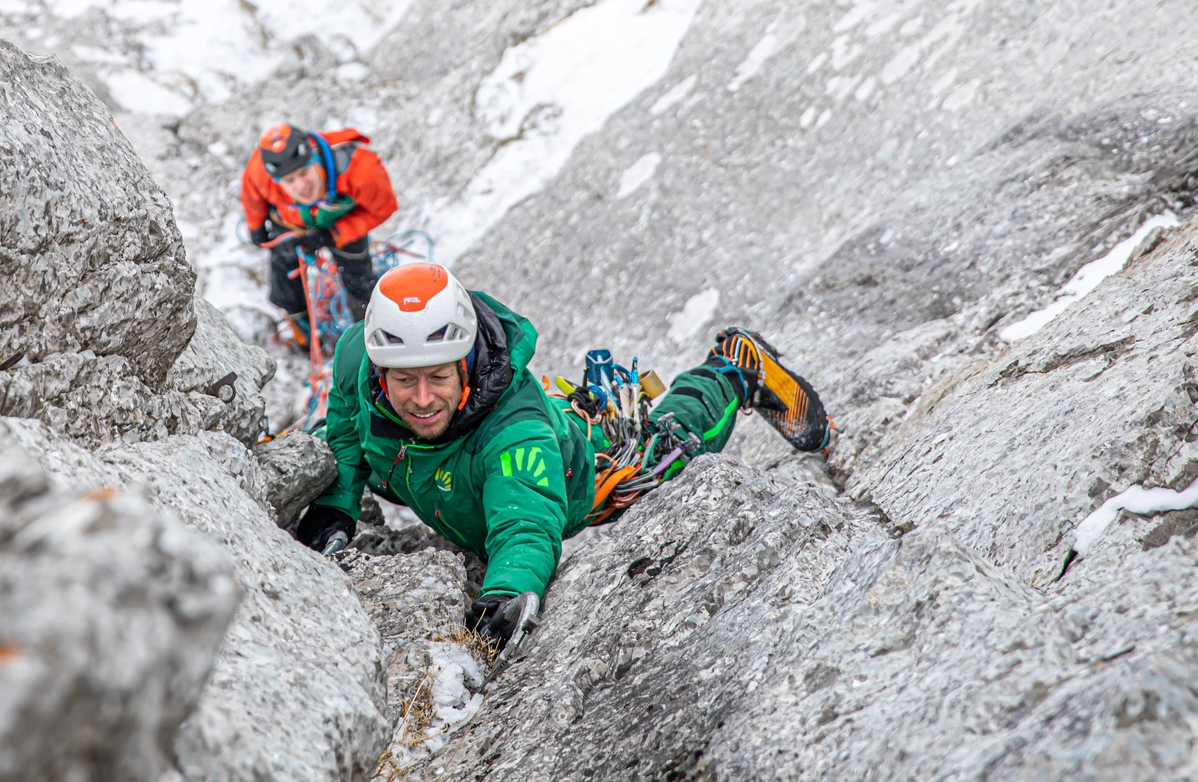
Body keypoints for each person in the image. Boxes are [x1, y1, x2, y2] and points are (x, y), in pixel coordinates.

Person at [292, 263, 831, 654]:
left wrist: (507, 590)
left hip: (582, 468)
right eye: (404, 381)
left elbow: (525, 525)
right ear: (380, 370)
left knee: (667, 451)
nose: (424, 398)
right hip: (428, 473)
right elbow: (344, 429)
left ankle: (732, 370)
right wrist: (336, 506)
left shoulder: (516, 436)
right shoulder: (356, 358)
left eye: (438, 377)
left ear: (467, 362)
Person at [240, 122, 398, 346]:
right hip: (292, 223)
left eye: (304, 172)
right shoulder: (259, 169)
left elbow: (384, 207)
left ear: (314, 157)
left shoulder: (360, 167)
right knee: (285, 269)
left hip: (343, 220)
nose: (301, 185)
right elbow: (251, 195)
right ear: (276, 180)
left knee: (358, 278)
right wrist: (255, 227)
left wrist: (336, 234)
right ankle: (303, 331)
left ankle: (368, 333)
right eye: (289, 180)